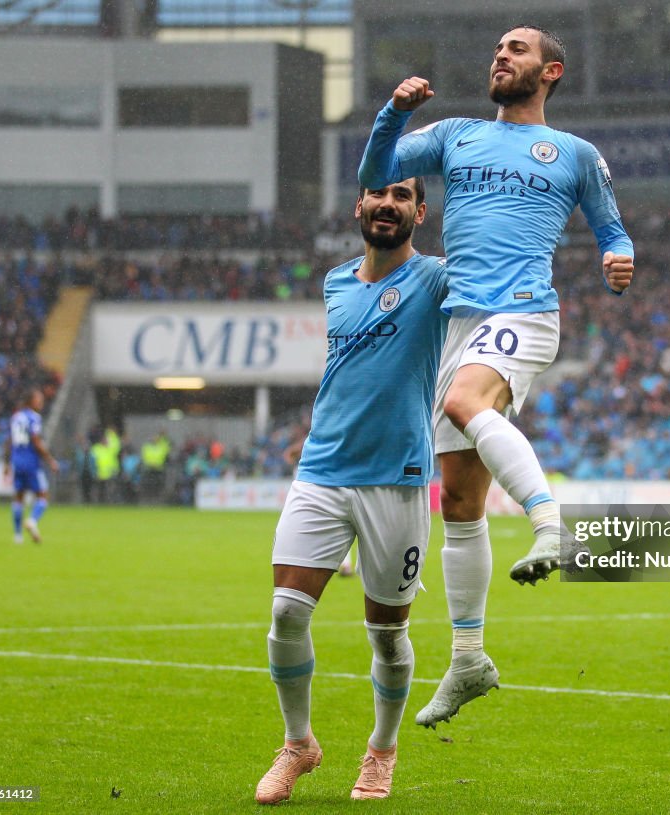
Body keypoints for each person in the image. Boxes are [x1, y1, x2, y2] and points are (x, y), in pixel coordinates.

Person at [358, 25, 635, 726]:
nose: (501, 56)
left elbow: (611, 226)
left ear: (552, 70)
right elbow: (373, 174)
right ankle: (470, 658)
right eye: (498, 49)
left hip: (524, 310)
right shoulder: (454, 135)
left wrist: (618, 256)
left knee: (462, 400)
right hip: (459, 321)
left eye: (517, 49)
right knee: (457, 501)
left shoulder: (575, 153)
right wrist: (395, 112)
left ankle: (550, 524)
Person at [254, 177, 447, 804]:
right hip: (323, 469)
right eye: (377, 194)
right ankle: (298, 745)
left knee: (388, 634)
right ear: (359, 206)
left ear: (419, 211)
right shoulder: (336, 282)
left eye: (401, 195)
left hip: (398, 479)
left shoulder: (436, 279)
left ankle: (382, 752)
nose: (387, 204)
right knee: (286, 610)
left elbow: (497, 272)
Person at [3, 388, 58, 544]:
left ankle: (18, 536)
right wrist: (50, 460)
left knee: (18, 498)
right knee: (43, 496)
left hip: (17, 461)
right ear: (30, 401)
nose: (41, 402)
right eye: (38, 399)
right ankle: (32, 521)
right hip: (31, 462)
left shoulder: (16, 417)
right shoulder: (34, 418)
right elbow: (36, 442)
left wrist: (6, 463)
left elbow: (9, 441)